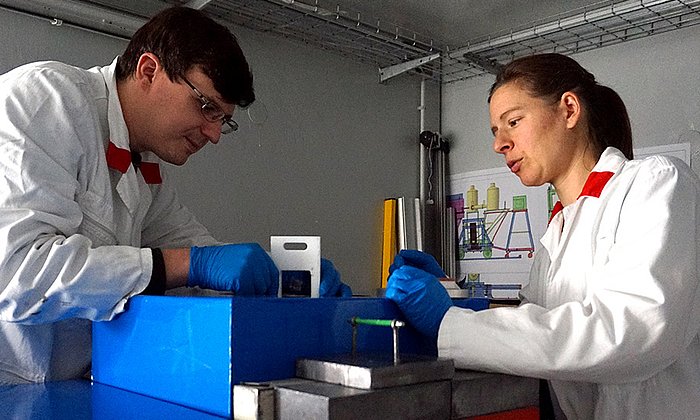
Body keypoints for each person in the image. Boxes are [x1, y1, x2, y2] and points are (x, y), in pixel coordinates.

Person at [0, 7, 349, 385]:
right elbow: (16, 272)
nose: (214, 134)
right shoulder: (45, 100)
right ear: (149, 71)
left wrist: (285, 276)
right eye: (206, 107)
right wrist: (187, 264)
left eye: (223, 120)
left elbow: (194, 252)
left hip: (63, 386)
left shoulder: (144, 165)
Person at [386, 53, 700, 419]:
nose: (499, 144)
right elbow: (535, 323)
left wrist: (450, 323)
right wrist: (450, 294)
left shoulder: (655, 182)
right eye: (495, 131)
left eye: (513, 122)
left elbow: (635, 331)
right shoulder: (559, 229)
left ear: (568, 109)